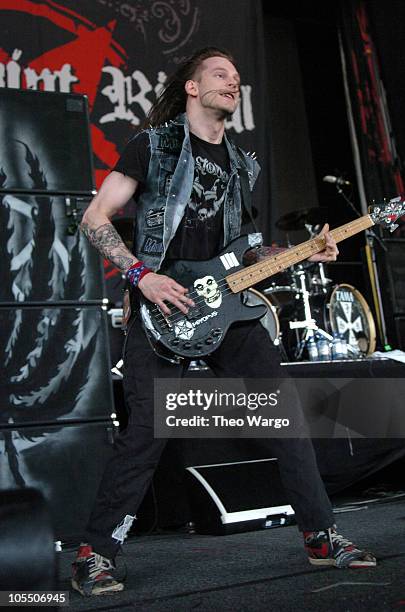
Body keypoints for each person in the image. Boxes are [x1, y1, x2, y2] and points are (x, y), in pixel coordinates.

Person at [72, 47, 376, 597]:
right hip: (165, 304)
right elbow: (95, 217)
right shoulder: (155, 146)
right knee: (147, 429)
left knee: (284, 414)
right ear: (191, 88)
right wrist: (142, 276)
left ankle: (321, 535)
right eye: (219, 75)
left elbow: (245, 252)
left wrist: (304, 252)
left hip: (228, 310)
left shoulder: (242, 163)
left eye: (237, 78)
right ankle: (96, 553)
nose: (232, 83)